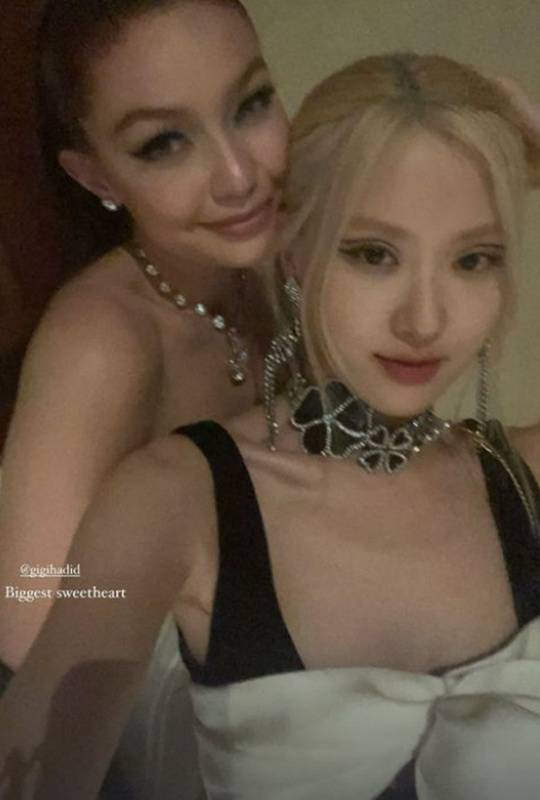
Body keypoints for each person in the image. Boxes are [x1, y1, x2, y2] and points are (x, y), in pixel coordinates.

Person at [3, 51, 540, 800]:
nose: (425, 320)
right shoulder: (173, 498)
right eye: (374, 254)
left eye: (473, 260)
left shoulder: (526, 475)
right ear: (293, 248)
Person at [0, 0, 288, 796]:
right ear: (96, 176)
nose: (240, 176)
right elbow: (26, 627)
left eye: (251, 104)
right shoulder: (102, 345)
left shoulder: (269, 251)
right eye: (166, 143)